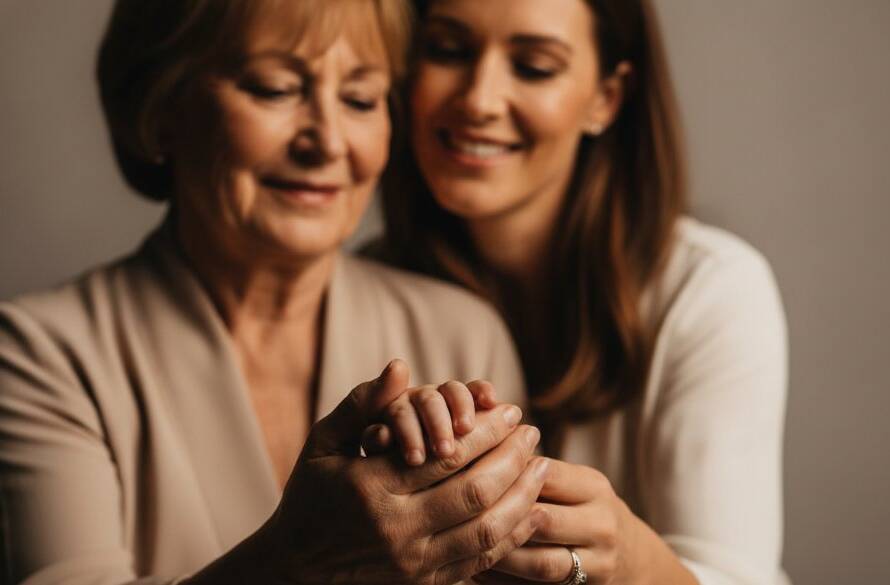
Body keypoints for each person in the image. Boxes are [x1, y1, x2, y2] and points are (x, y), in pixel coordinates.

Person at [0, 1, 553, 584]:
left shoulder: (462, 330)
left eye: (361, 100)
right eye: (275, 89)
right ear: (160, 108)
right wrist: (303, 564)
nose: (328, 142)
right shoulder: (42, 354)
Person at [378, 0, 790, 583]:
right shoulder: (357, 292)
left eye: (535, 66)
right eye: (448, 51)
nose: (478, 99)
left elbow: (736, 573)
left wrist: (630, 561)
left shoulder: (707, 291)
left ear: (607, 98)